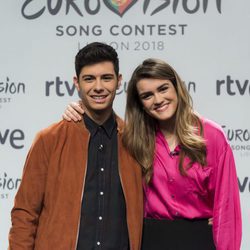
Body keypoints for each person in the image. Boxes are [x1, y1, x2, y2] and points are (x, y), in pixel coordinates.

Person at [63, 58, 242, 250]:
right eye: (147, 95)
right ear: (140, 104)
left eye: (163, 89)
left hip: (198, 240)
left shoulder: (212, 136)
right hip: (150, 240)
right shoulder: (133, 139)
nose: (158, 100)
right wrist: (80, 110)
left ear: (177, 87)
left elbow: (227, 210)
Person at [8, 42, 143, 250]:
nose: (98, 87)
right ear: (76, 83)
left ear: (119, 81)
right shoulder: (49, 140)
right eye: (89, 79)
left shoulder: (135, 142)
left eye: (106, 78)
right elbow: (25, 214)